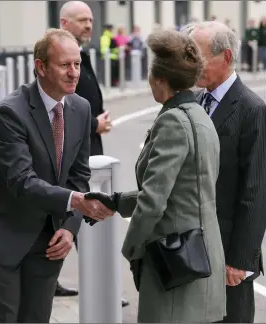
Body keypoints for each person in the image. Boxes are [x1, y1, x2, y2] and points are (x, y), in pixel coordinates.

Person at [0, 28, 114, 323]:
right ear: (40, 66)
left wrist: (69, 228)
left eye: (77, 64)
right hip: (1, 237)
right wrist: (77, 202)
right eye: (64, 65)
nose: (73, 73)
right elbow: (22, 181)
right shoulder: (11, 112)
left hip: (48, 241)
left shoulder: (80, 109)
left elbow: (79, 174)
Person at [86, 29, 227, 322]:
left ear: (160, 80)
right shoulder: (200, 114)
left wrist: (132, 250)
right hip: (202, 254)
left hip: (174, 259)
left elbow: (154, 201)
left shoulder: (173, 121)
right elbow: (185, 191)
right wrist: (116, 201)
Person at [183, 20, 266, 323]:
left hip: (228, 256)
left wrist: (239, 260)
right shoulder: (192, 102)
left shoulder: (251, 109)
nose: (192, 65)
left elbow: (255, 191)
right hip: (189, 250)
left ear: (226, 57)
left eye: (199, 57)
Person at [58, 1, 131, 307]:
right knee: (83, 217)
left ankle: (89, 284)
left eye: (90, 20)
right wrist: (94, 124)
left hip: (88, 150)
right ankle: (103, 288)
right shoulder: (59, 60)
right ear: (65, 24)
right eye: (82, 21)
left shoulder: (80, 56)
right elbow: (58, 109)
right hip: (72, 155)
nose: (89, 25)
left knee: (76, 218)